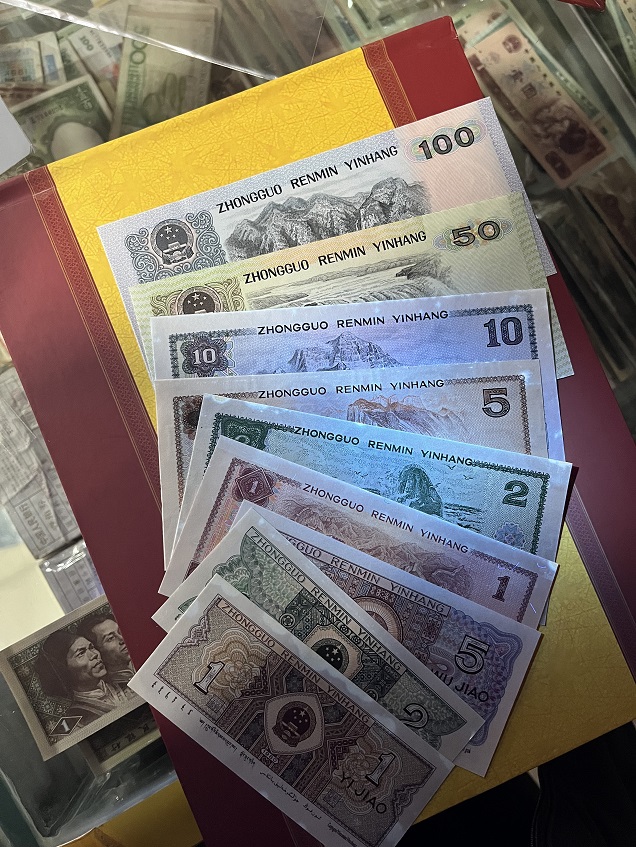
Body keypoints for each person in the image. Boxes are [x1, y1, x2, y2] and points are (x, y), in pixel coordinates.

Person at [36, 628, 128, 726]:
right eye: (81, 653)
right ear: (65, 669)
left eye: (91, 647)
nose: (94, 655)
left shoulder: (125, 681)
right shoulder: (74, 722)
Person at [78, 613, 135, 688]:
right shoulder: (108, 688)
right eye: (110, 638)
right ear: (97, 650)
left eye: (120, 631)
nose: (122, 639)